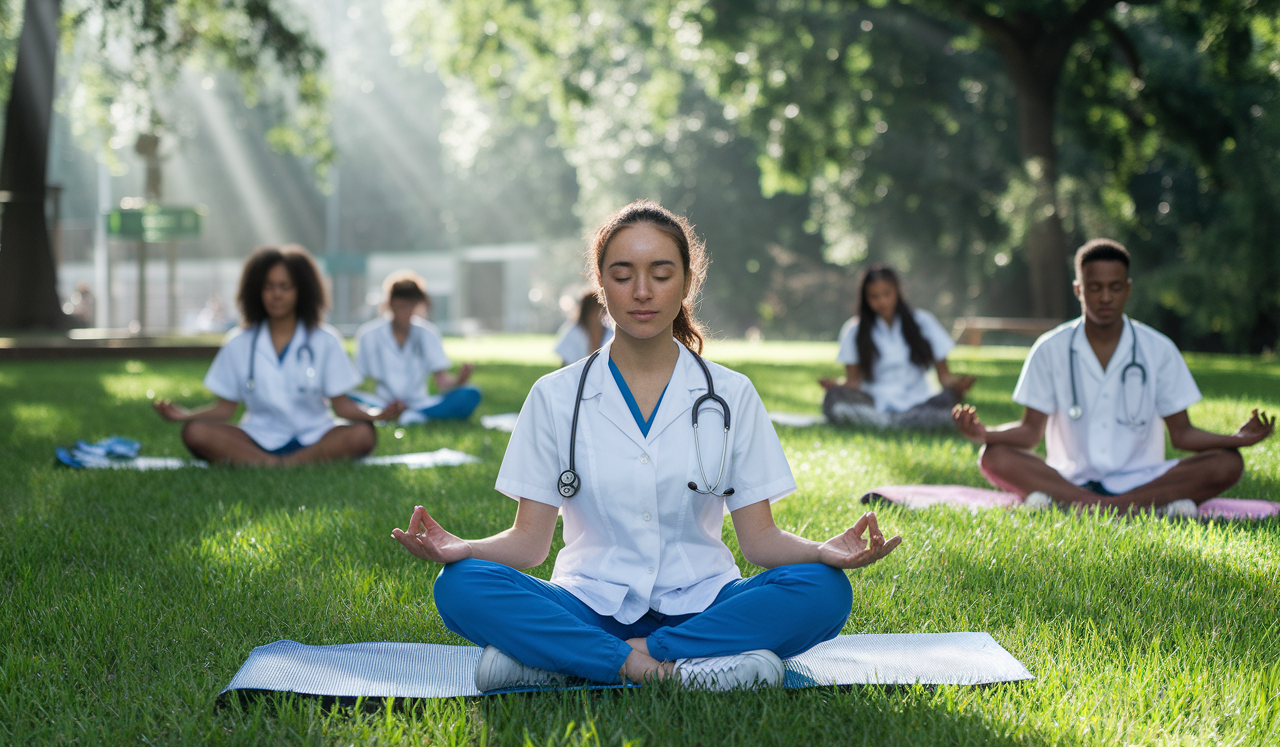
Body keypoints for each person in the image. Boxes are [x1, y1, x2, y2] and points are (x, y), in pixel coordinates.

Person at [391, 200, 901, 693]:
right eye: (621, 275)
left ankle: (576, 659)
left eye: (660, 274)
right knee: (461, 585)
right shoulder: (554, 396)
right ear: (600, 285)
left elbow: (759, 542)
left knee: (824, 591)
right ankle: (670, 666)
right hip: (587, 600)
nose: (642, 291)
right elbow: (530, 544)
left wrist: (821, 552)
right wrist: (464, 549)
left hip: (706, 602)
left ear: (686, 283)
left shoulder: (731, 394)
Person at [953, 238, 1275, 516]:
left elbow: (1182, 435)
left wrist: (1236, 440)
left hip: (1143, 476)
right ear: (1078, 289)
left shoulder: (1158, 349)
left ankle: (1080, 506)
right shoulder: (1049, 348)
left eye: (1114, 287)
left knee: (1228, 464)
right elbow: (1029, 433)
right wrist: (985, 433)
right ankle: (1138, 507)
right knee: (993, 456)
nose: (1105, 297)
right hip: (1068, 475)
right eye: (1094, 288)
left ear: (1128, 289)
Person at [153, 245, 402, 465]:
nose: (276, 294)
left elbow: (342, 405)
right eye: (268, 286)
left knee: (363, 434)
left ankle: (271, 464)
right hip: (257, 436)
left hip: (316, 435)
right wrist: (184, 416)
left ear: (301, 291)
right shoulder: (239, 342)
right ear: (256, 291)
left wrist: (377, 415)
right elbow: (225, 409)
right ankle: (280, 463)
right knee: (195, 432)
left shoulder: (325, 339)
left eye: (285, 287)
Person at [819, 265, 975, 428]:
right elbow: (853, 382)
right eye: (874, 296)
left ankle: (886, 423)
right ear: (865, 298)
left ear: (897, 292)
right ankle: (895, 422)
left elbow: (944, 378)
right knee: (833, 399)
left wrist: (958, 386)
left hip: (919, 402)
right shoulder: (854, 330)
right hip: (873, 403)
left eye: (887, 294)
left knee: (950, 404)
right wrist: (836, 387)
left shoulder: (923, 322)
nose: (882, 301)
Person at [352, 271, 481, 425]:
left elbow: (441, 381)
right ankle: (397, 415)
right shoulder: (368, 334)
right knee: (345, 399)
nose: (404, 312)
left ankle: (410, 415)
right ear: (390, 303)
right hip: (382, 403)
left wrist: (459, 380)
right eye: (400, 305)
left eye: (409, 306)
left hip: (420, 403)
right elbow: (359, 380)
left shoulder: (428, 333)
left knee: (471, 394)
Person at [554, 290, 613, 366]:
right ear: (586, 311)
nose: (598, 314)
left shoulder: (611, 332)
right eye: (594, 310)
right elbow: (566, 364)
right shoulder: (574, 332)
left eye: (601, 309)